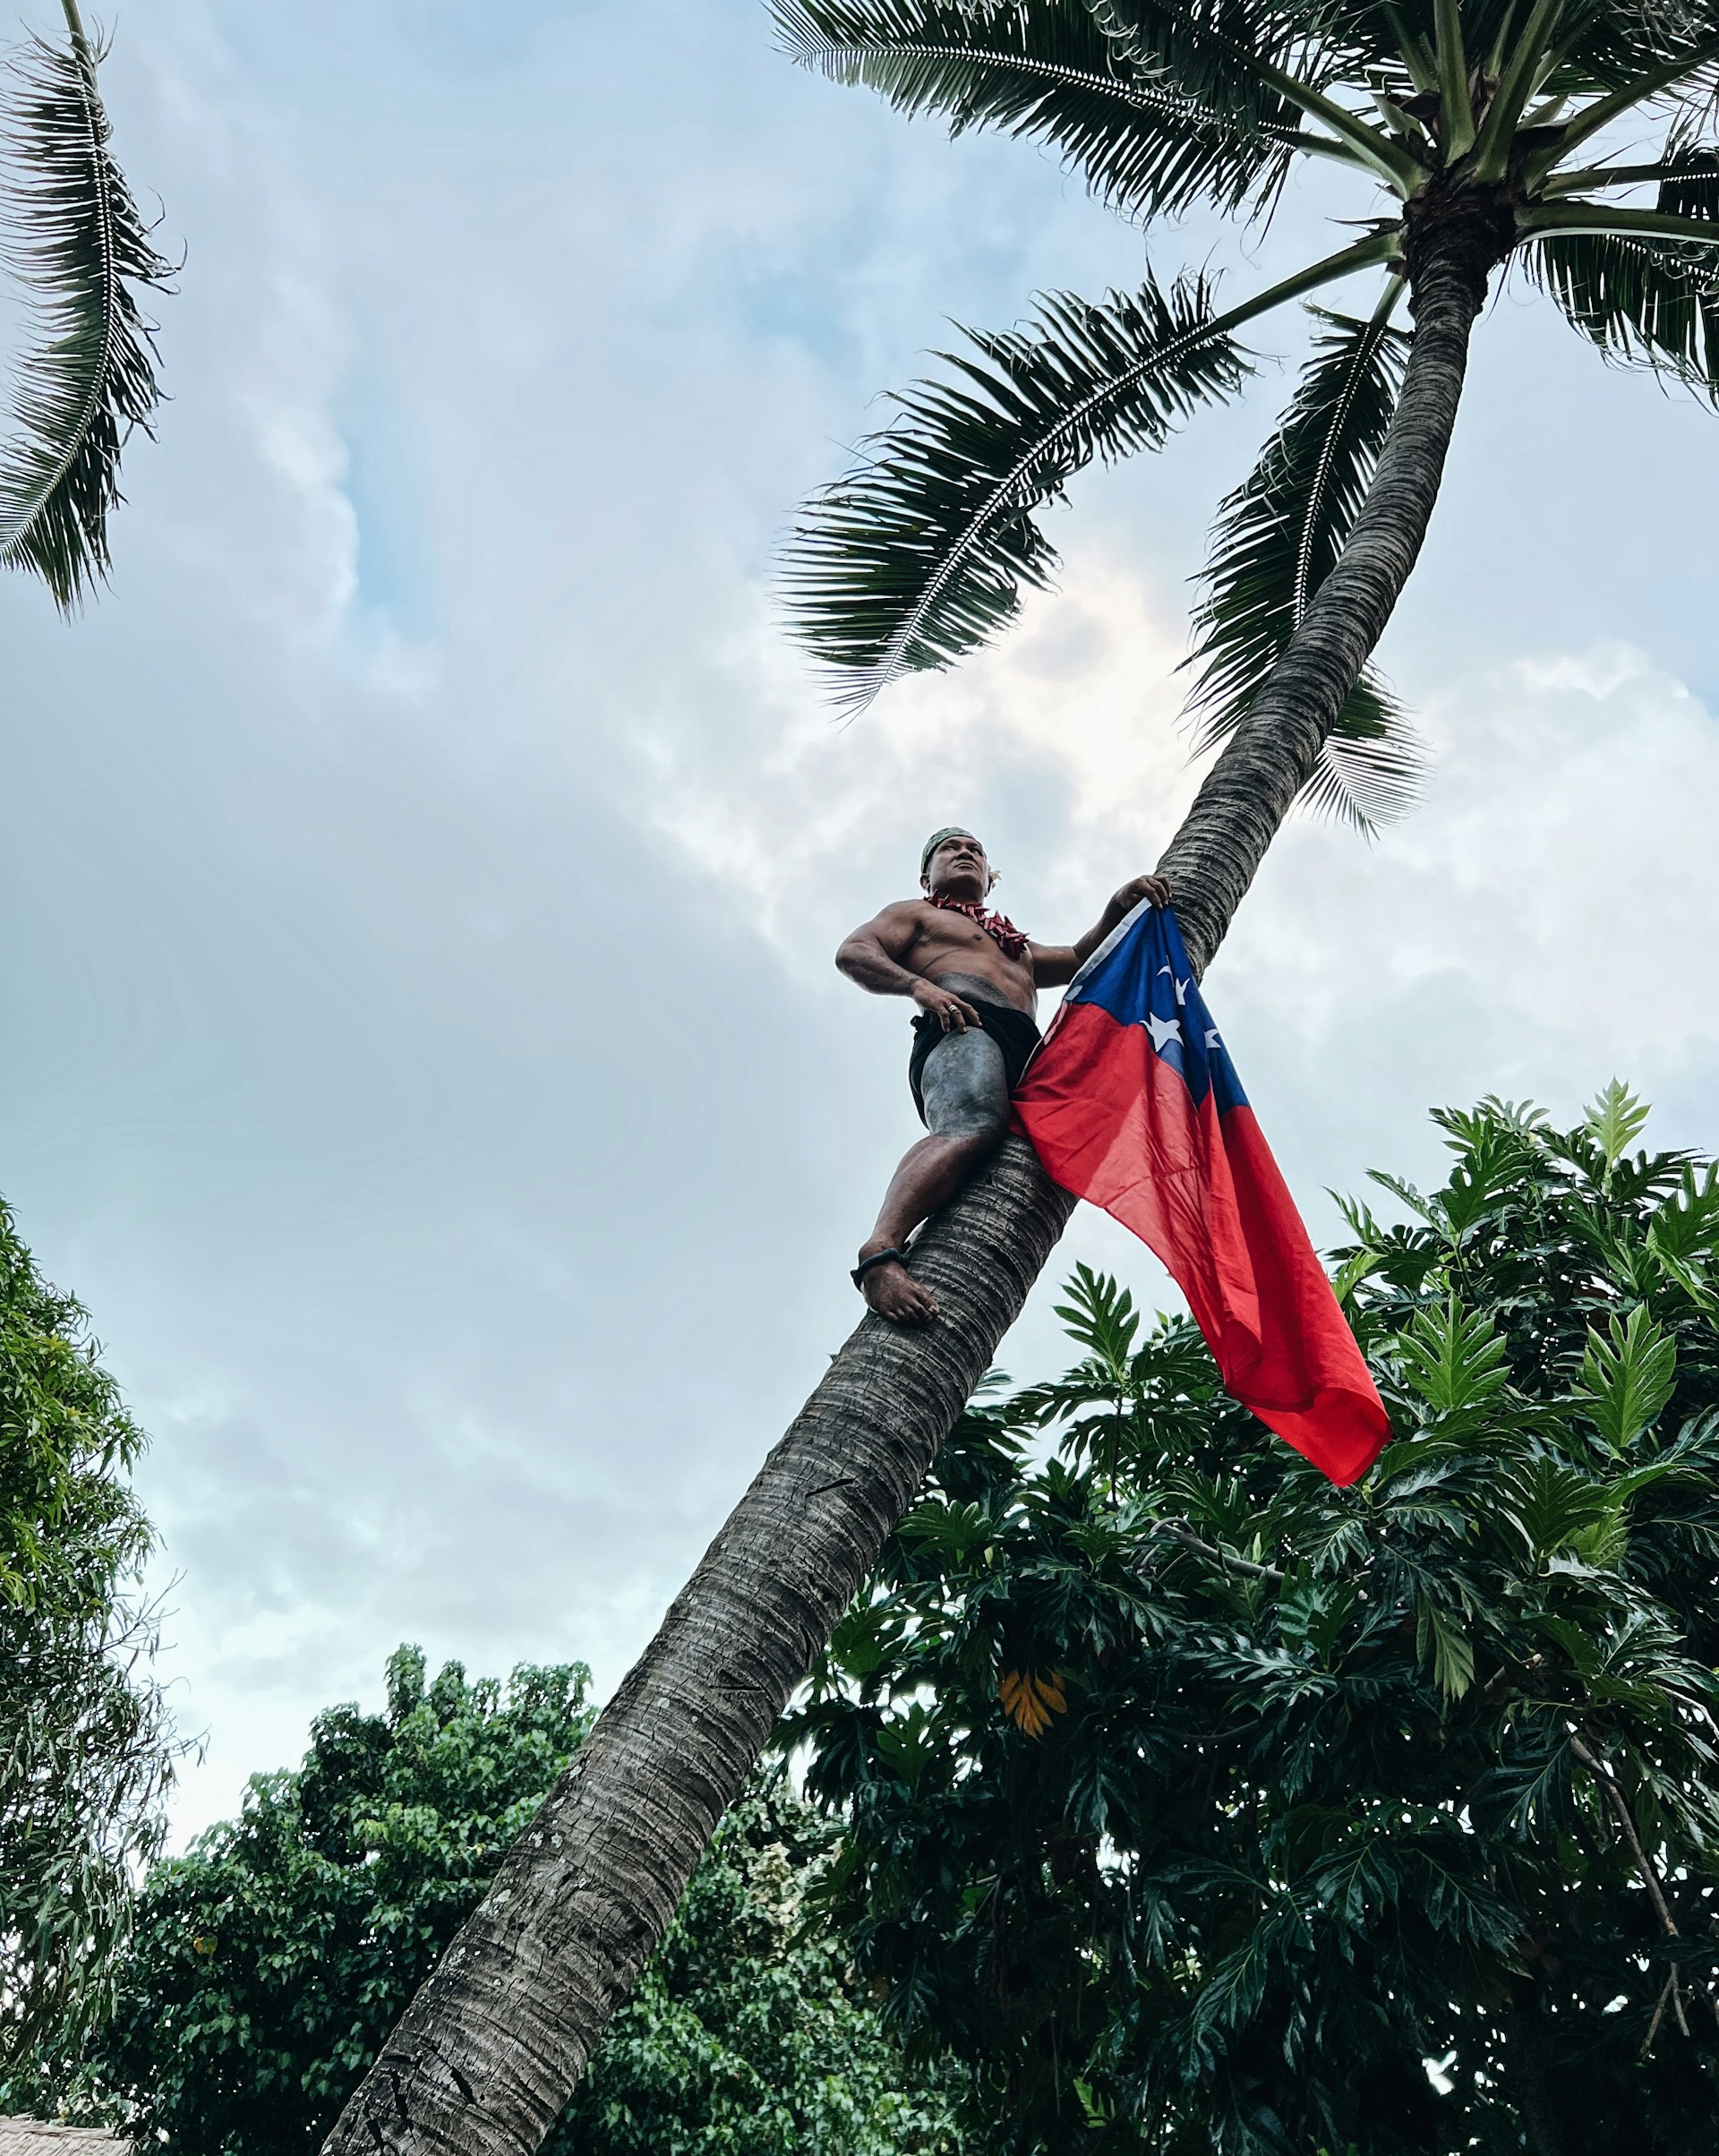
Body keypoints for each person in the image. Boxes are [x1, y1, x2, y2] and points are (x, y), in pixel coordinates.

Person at [836, 827, 1171, 1324]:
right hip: (963, 1020)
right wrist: (920, 988)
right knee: (972, 1125)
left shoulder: (1017, 947)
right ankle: (879, 1253)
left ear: (990, 881)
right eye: (950, 848)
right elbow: (855, 953)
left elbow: (1080, 959)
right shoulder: (916, 913)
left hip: (1026, 1048)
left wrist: (1116, 906)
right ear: (927, 875)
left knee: (1028, 1149)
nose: (965, 853)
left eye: (975, 849)